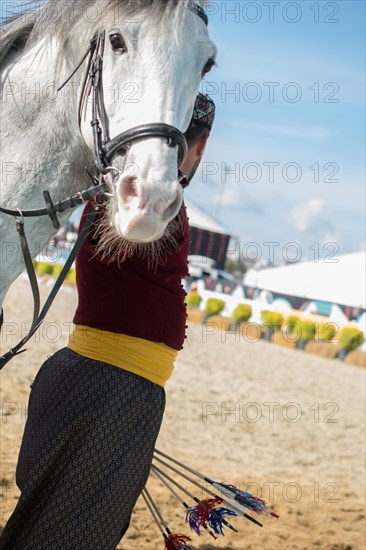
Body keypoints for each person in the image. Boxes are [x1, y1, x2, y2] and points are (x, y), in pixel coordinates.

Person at [0, 93, 216, 550]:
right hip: (112, 387)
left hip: (104, 383)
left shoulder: (125, 195)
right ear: (198, 145)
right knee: (67, 536)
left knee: (50, 524)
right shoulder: (149, 200)